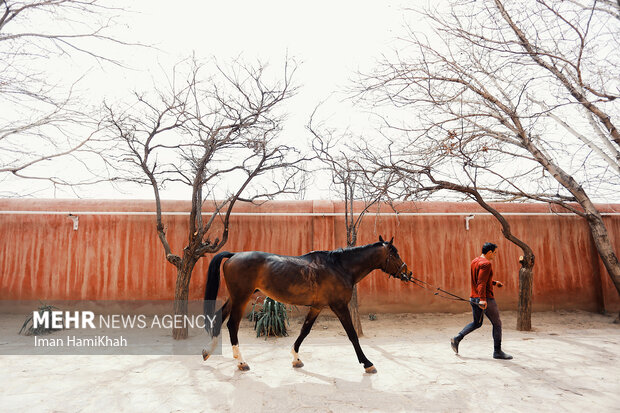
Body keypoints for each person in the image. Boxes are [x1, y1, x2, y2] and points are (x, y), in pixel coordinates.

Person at [450, 242, 513, 360]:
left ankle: (457, 338)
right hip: (485, 298)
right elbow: (481, 282)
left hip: (473, 297)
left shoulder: (475, 261)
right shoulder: (486, 264)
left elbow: (481, 278)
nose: (495, 255)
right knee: (497, 323)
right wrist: (483, 300)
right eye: (494, 253)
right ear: (489, 252)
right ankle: (497, 351)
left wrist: (494, 283)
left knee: (477, 323)